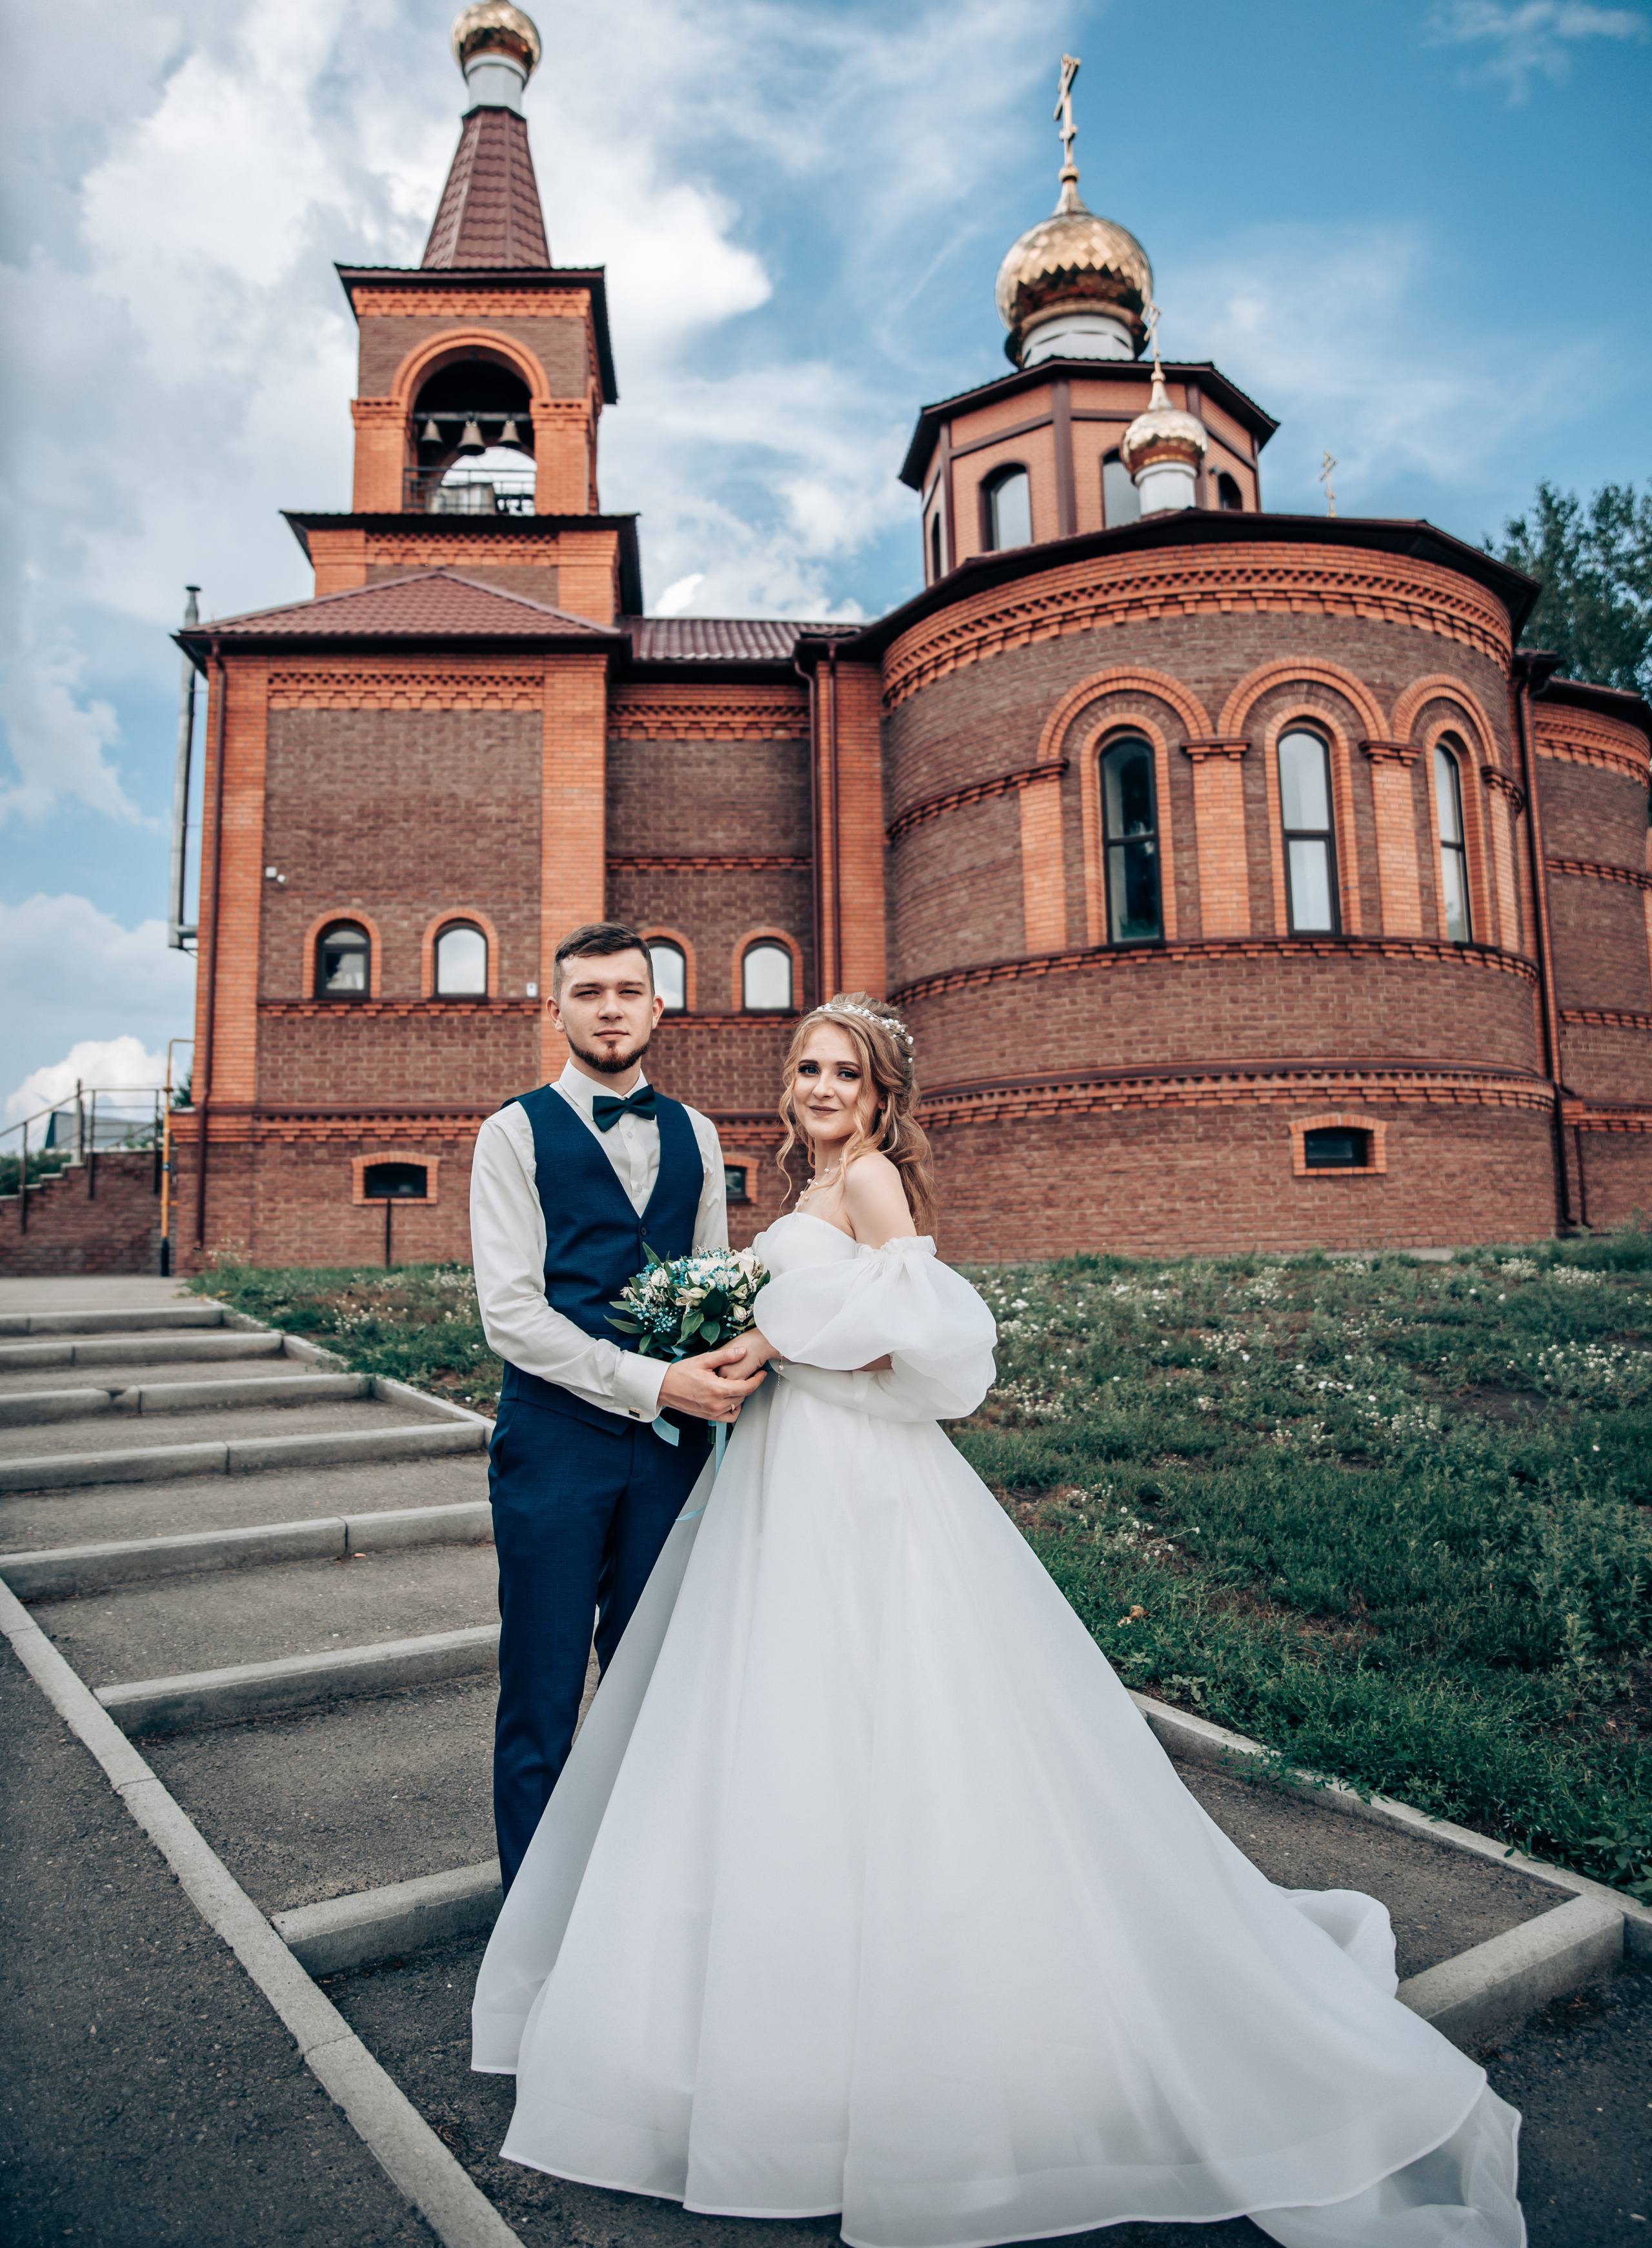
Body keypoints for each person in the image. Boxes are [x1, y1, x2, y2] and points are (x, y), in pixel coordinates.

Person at [472, 992, 1524, 2248]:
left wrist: (785, 1338)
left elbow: (925, 1342)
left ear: (876, 1098)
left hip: (855, 1487)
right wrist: (726, 1343)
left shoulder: (866, 1189)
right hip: (774, 1478)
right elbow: (799, 1323)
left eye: (842, 1074)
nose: (818, 1087)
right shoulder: (803, 1198)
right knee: (782, 1730)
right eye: (804, 1067)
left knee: (891, 1718)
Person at [468, 922, 761, 1893]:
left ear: (658, 1007)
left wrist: (714, 1388)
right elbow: (511, 1314)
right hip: (554, 1448)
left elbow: (716, 1286)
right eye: (588, 992)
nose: (608, 1008)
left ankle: (632, 1921)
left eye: (627, 991)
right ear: (555, 1009)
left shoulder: (700, 1134)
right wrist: (651, 1382)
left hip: (675, 1458)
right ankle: (531, 1934)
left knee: (655, 1695)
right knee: (541, 1700)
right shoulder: (512, 1133)